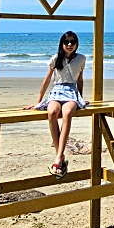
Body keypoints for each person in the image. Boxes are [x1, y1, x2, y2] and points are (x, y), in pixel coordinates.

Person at [23, 31, 88, 179]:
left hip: (71, 91)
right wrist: (39, 101)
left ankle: (58, 158)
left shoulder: (81, 59)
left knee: (67, 113)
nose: (69, 45)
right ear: (62, 44)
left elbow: (80, 80)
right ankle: (60, 155)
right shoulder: (55, 59)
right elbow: (46, 81)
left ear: (77, 44)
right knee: (52, 112)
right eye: (67, 42)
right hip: (57, 90)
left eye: (72, 42)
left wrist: (81, 99)